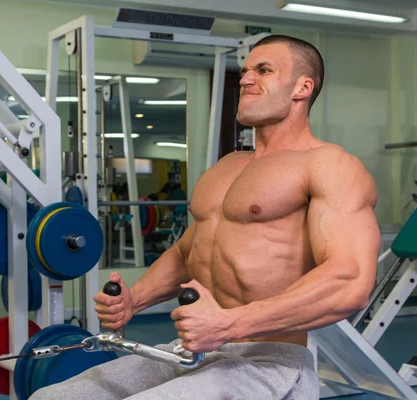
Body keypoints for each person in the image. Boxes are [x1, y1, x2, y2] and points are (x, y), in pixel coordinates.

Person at [30, 34, 381, 400]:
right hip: (194, 350)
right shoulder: (228, 167)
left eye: (263, 70)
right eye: (245, 71)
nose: (245, 79)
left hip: (267, 360)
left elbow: (350, 281)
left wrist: (231, 323)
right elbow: (187, 253)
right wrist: (136, 299)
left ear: (302, 88)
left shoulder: (330, 165)